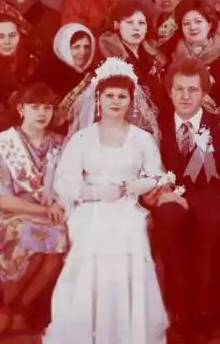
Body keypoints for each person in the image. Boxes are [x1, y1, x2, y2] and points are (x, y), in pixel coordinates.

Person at [43, 58, 168, 343]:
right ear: (98, 98)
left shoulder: (142, 138)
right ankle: (85, 329)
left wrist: (130, 187)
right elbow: (66, 181)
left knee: (130, 229)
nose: (115, 102)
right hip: (89, 204)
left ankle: (127, 331)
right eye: (109, 95)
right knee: (92, 232)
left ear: (131, 101)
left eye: (122, 97)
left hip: (128, 204)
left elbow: (155, 175)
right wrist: (94, 193)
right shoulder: (82, 138)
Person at [150, 57, 220, 342]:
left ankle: (204, 311)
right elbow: (148, 171)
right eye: (179, 89)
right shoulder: (157, 128)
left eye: (193, 90)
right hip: (171, 202)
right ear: (169, 92)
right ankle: (180, 311)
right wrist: (163, 196)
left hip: (211, 203)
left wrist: (195, 202)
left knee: (210, 225)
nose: (185, 96)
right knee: (169, 219)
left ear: (204, 93)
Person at [0, 83, 67, 334]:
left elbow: (69, 185)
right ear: (21, 109)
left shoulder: (60, 144)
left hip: (52, 215)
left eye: (47, 108)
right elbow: (4, 201)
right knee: (32, 236)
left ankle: (21, 306)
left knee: (59, 240)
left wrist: (57, 205)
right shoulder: (4, 144)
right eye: (35, 107)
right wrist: (45, 211)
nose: (42, 113)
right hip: (14, 215)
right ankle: (6, 305)